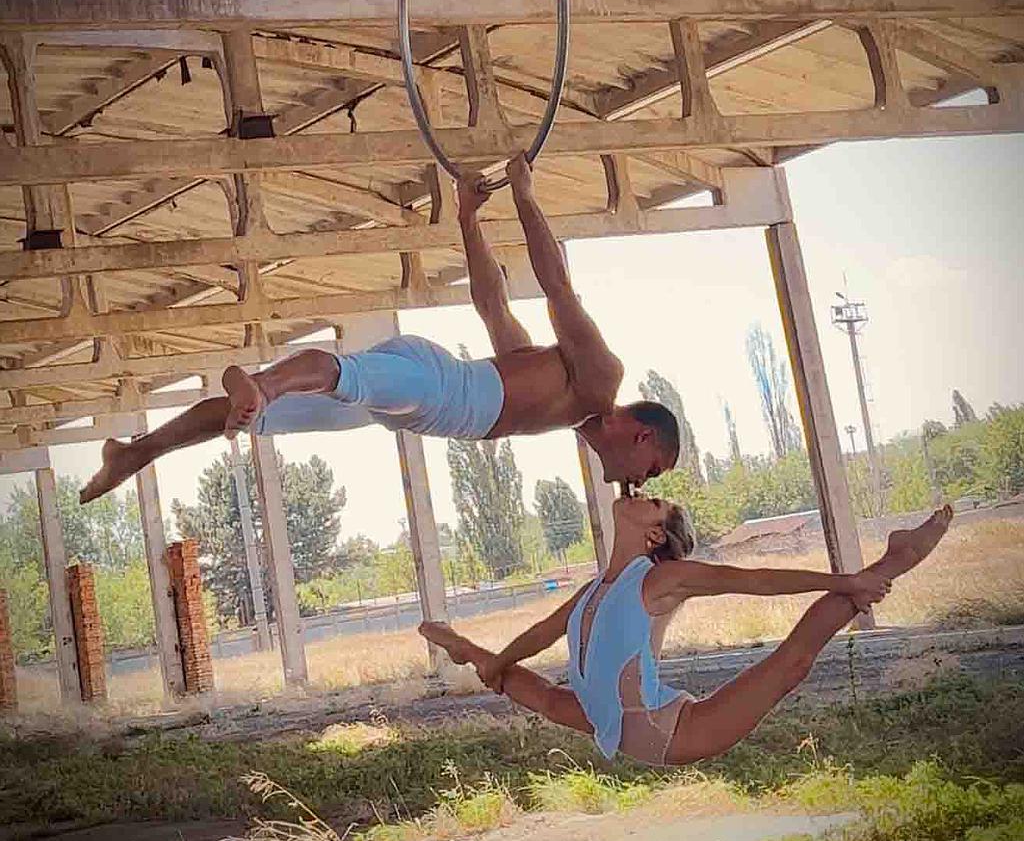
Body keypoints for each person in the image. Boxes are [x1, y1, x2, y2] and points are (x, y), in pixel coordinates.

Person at [80, 153, 679, 504]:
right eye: (651, 473)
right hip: (436, 389)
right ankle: (260, 381)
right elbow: (558, 287)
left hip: (423, 405)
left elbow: (493, 307)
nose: (640, 485)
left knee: (266, 418)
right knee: (340, 379)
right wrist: (523, 194)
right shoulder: (602, 379)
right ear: (643, 438)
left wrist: (469, 217)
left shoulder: (563, 397)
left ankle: (136, 451)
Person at [421, 499, 954, 767]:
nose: (644, 494)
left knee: (792, 662)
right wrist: (496, 661)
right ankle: (476, 656)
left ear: (654, 534)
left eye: (654, 502)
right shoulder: (591, 591)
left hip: (669, 728)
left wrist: (845, 580)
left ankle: (896, 559)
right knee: (536, 691)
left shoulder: (661, 578)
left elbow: (754, 581)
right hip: (601, 716)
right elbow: (542, 632)